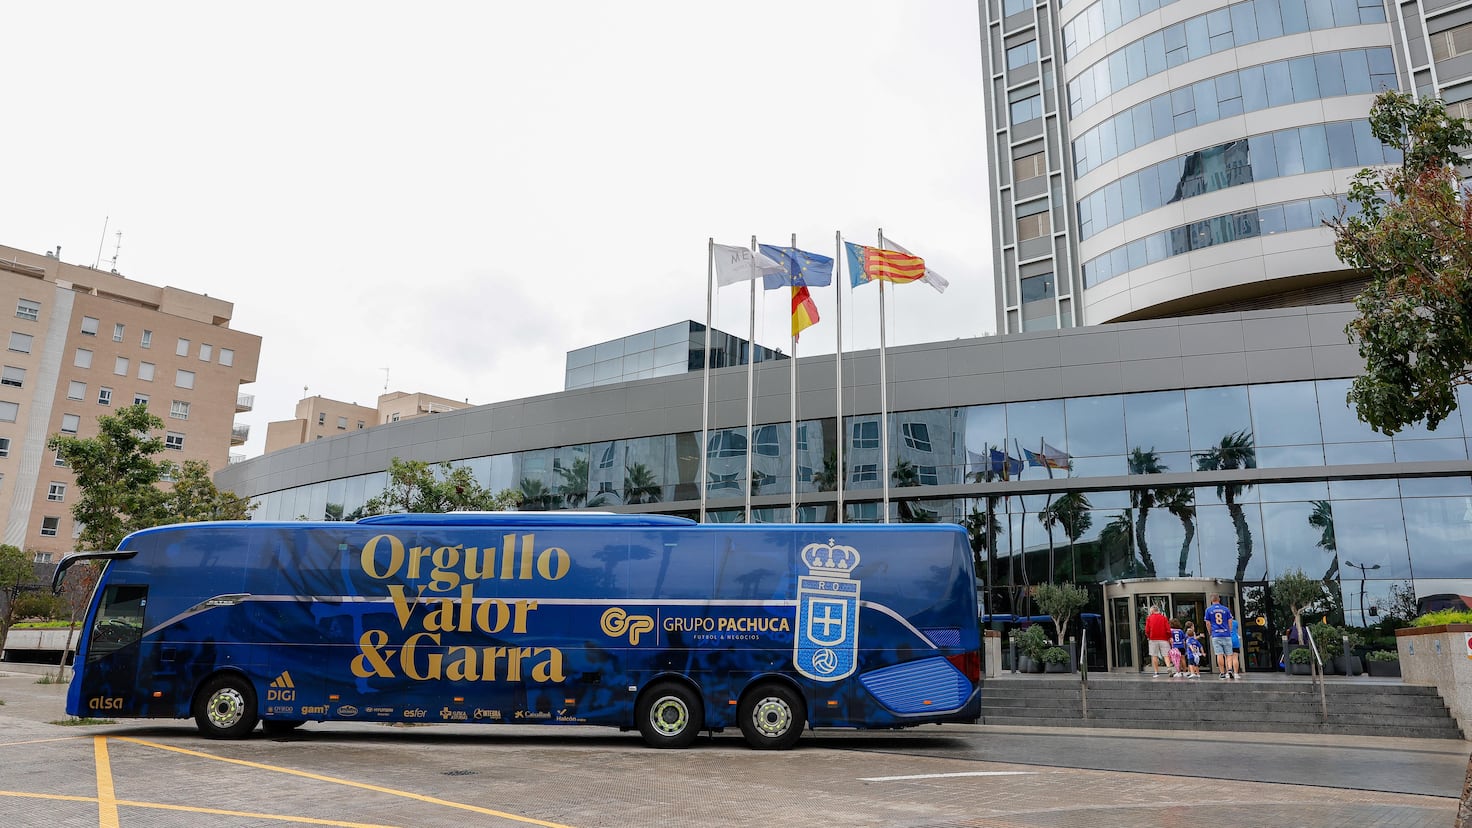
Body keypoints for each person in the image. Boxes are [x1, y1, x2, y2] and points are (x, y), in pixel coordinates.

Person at [1205, 594, 1236, 679]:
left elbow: (1207, 623)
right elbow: (1230, 620)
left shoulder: (1208, 610)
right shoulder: (1225, 609)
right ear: (1219, 599)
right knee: (1229, 654)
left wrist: (1210, 632)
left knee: (1219, 654)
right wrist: (1229, 630)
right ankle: (1229, 669)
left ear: (1211, 600)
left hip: (1216, 634)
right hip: (1226, 633)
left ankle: (1222, 672)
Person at [1145, 605, 1172, 677]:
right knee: (1166, 655)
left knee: (1154, 655)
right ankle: (1169, 667)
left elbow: (1147, 630)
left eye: (1150, 611)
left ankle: (1156, 672)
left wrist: (1148, 637)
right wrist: (1169, 637)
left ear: (1152, 611)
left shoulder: (1149, 618)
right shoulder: (1164, 618)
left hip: (1153, 639)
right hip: (1164, 639)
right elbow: (1168, 630)